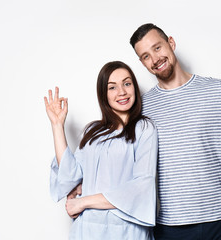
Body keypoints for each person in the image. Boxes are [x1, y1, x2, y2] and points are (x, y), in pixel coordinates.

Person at [129, 23, 221, 240]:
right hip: (172, 227)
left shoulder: (217, 90)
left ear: (171, 43)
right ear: (142, 62)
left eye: (157, 48)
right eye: (145, 56)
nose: (155, 59)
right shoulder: (143, 108)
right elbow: (123, 158)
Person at [44, 61, 158, 240]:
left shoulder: (144, 128)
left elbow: (142, 186)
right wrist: (57, 126)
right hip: (87, 230)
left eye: (127, 84)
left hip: (126, 231)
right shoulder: (93, 132)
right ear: (103, 94)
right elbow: (70, 177)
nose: (122, 92)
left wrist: (83, 202)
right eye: (112, 87)